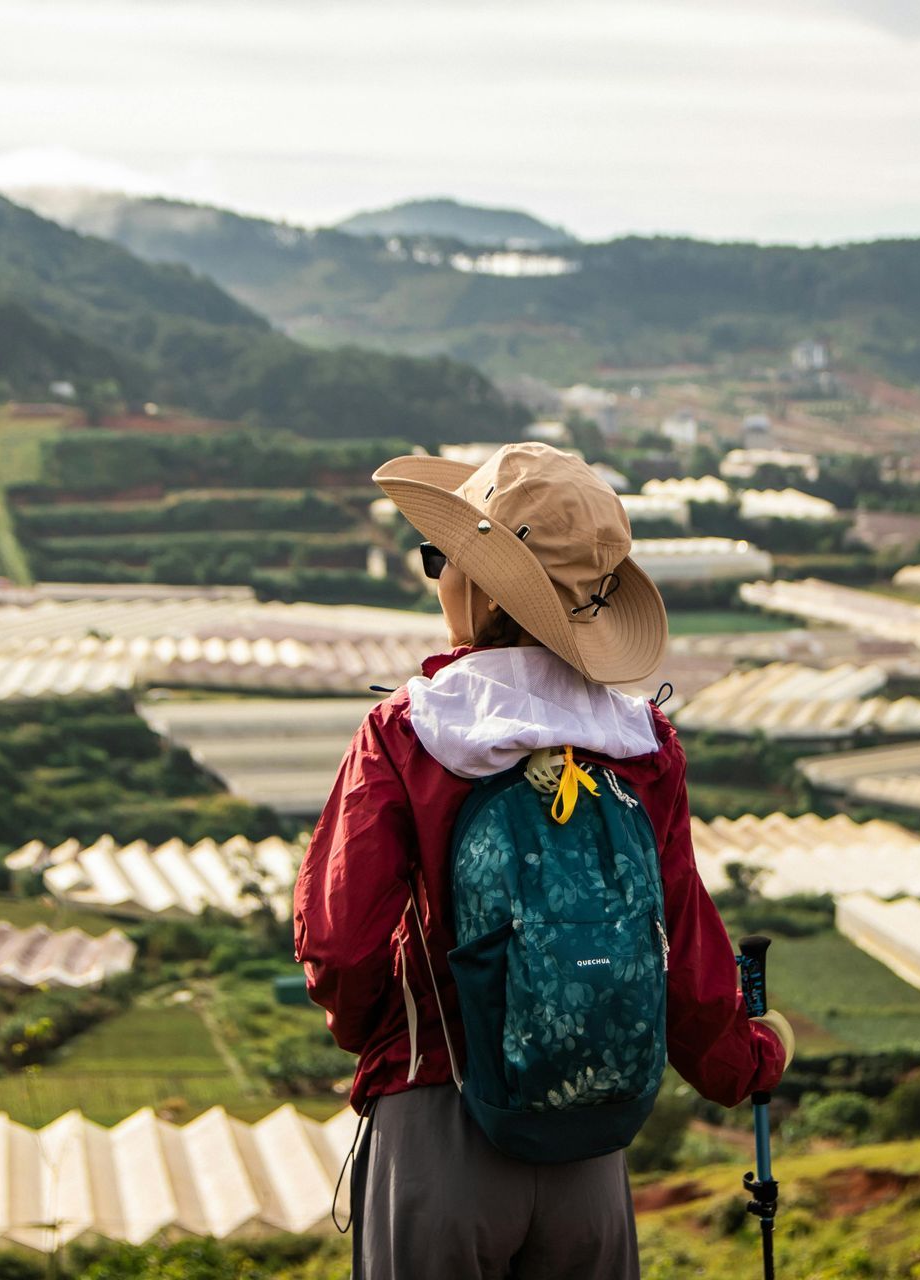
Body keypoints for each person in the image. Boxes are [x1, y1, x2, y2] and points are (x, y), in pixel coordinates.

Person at [294, 442, 793, 1280]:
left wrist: (378, 1043)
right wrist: (748, 1059)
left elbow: (340, 947)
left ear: (477, 580)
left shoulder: (407, 733)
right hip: (589, 1138)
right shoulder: (638, 743)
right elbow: (681, 942)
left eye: (439, 558)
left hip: (436, 1130)